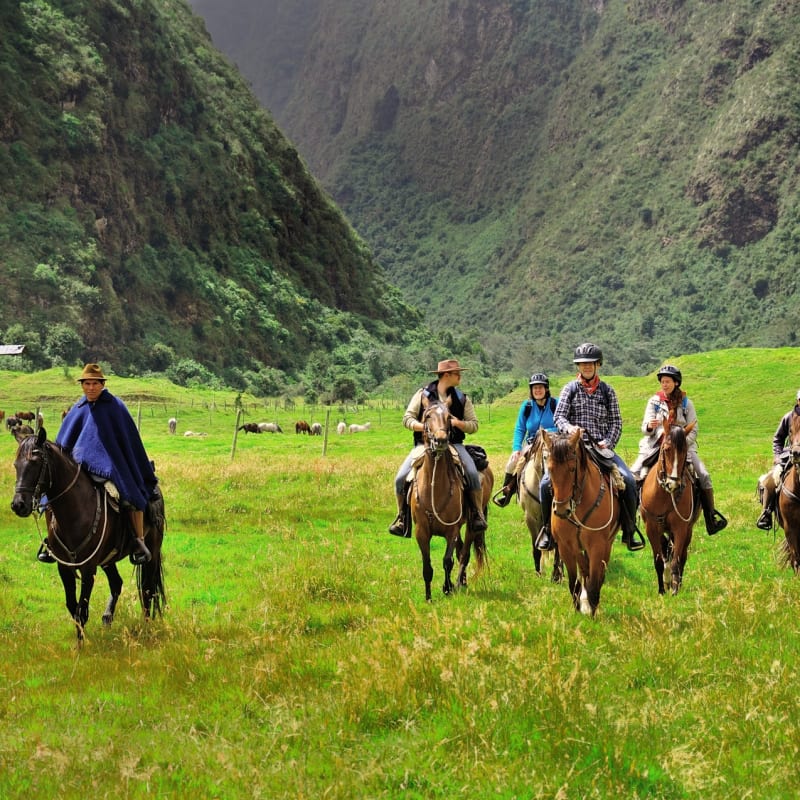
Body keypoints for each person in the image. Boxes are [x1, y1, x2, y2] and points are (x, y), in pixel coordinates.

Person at [37, 363, 157, 564]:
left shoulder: (115, 407)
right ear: (82, 385)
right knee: (52, 497)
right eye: (87, 384)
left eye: (95, 383)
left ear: (102, 384)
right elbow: (63, 442)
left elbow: (128, 441)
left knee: (128, 495)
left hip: (110, 466)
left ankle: (139, 542)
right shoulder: (78, 408)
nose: (90, 388)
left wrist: (110, 462)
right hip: (76, 466)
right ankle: (52, 543)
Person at [536, 342, 645, 552]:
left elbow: (616, 422)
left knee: (629, 481)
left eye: (590, 364)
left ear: (598, 365)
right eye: (582, 364)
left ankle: (630, 531)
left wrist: (608, 442)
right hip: (571, 448)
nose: (586, 367)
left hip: (600, 448)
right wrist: (571, 430)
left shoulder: (607, 391)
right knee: (544, 484)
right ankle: (548, 531)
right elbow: (559, 417)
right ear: (578, 367)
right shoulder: (570, 389)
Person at [388, 358, 488, 537]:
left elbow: (474, 425)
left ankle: (476, 515)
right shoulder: (422, 394)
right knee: (400, 478)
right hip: (424, 445)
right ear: (447, 375)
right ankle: (402, 518)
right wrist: (426, 427)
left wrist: (458, 423)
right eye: (457, 373)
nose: (460, 377)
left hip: (454, 445)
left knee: (472, 474)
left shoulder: (462, 398)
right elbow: (407, 419)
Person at [630, 364, 727, 535]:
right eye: (662, 381)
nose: (664, 384)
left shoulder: (687, 403)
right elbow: (644, 428)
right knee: (634, 474)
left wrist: (681, 444)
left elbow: (694, 429)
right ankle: (632, 520)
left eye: (668, 381)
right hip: (656, 446)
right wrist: (650, 426)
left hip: (683, 448)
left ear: (676, 383)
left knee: (703, 474)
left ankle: (710, 517)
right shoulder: (654, 401)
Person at [493, 373, 558, 507]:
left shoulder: (554, 404)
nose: (537, 391)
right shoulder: (527, 406)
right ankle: (507, 492)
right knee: (512, 463)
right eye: (534, 388)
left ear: (546, 389)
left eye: (540, 387)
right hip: (532, 444)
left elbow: (561, 423)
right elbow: (520, 428)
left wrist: (546, 432)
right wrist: (516, 449)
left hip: (552, 443)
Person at [756, 387, 800, 530]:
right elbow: (778, 439)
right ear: (797, 401)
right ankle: (766, 513)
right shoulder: (789, 417)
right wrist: (777, 457)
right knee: (771, 480)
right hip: (789, 456)